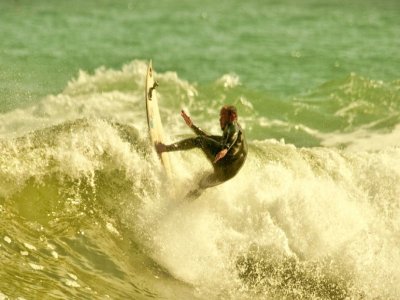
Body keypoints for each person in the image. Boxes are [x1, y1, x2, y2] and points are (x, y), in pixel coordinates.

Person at [156, 105, 247, 199]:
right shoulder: (235, 136)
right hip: (223, 176)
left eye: (223, 116)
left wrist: (225, 149)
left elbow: (233, 133)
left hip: (224, 164)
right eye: (220, 116)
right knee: (200, 184)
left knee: (200, 141)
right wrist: (192, 125)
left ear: (232, 116)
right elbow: (209, 138)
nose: (220, 119)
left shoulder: (232, 126)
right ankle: (183, 204)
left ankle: (164, 148)